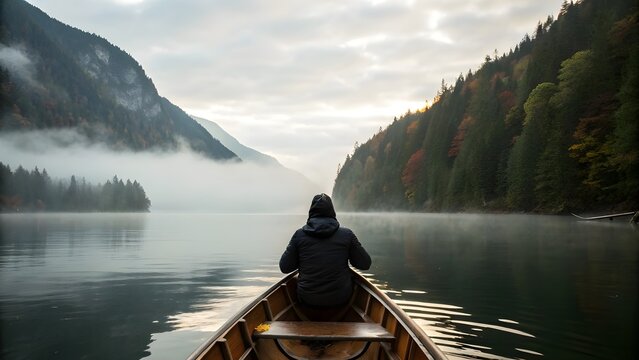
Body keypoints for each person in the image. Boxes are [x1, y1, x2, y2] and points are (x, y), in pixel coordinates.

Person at [279, 193, 371, 310]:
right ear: (332, 212)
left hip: (307, 300)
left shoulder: (299, 235)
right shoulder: (347, 235)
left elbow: (284, 267)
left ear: (311, 212)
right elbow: (365, 264)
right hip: (341, 299)